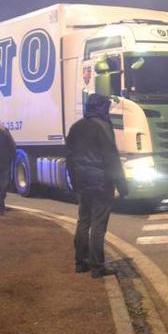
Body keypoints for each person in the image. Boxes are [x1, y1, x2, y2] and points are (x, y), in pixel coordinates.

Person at [66, 93, 129, 278]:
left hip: (83, 182)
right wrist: (122, 185)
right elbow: (112, 158)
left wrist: (74, 181)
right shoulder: (103, 127)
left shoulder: (76, 127)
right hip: (101, 182)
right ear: (101, 108)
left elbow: (69, 157)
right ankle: (97, 266)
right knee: (98, 224)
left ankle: (80, 262)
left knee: (83, 221)